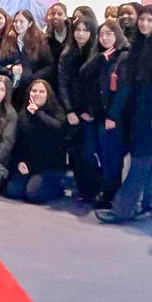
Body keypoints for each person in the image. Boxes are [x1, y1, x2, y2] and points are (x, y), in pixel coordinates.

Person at [96, 5, 152, 223]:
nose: (144, 24)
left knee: (141, 162)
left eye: (150, 20)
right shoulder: (139, 45)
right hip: (139, 112)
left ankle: (123, 209)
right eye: (143, 19)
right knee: (145, 161)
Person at [79, 20, 130, 207]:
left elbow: (124, 90)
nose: (105, 37)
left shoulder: (124, 56)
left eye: (109, 33)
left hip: (113, 118)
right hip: (98, 115)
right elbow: (84, 75)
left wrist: (113, 116)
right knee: (101, 154)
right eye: (102, 34)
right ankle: (105, 191)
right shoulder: (101, 56)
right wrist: (99, 59)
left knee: (112, 158)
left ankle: (111, 196)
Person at [5, 79, 67, 203]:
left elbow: (58, 129)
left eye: (41, 91)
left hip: (48, 165)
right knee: (12, 191)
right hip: (29, 163)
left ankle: (58, 187)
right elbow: (19, 142)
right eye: (34, 91)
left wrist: (38, 113)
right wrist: (20, 162)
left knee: (33, 194)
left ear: (48, 95)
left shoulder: (56, 112)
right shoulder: (23, 114)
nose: (37, 94)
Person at [57, 15, 98, 201]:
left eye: (85, 30)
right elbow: (62, 85)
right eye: (78, 30)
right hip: (72, 111)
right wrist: (69, 111)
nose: (81, 34)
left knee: (90, 152)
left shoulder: (96, 54)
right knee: (75, 152)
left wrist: (90, 111)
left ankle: (94, 191)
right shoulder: (67, 54)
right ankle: (82, 191)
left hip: (91, 112)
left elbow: (97, 86)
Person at [0, 9, 52, 108]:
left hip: (30, 91)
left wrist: (32, 77)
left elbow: (49, 65)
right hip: (10, 92)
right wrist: (10, 69)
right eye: (15, 21)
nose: (17, 24)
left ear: (30, 23)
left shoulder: (40, 41)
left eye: (21, 21)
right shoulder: (8, 40)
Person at [45, 2, 69, 67]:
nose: (56, 16)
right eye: (53, 14)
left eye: (59, 14)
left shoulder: (72, 32)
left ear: (65, 16)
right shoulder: (47, 34)